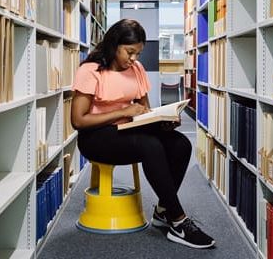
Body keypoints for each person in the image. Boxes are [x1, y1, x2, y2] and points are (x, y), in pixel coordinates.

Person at [71, 18, 215, 249]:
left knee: (180, 144)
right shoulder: (91, 70)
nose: (134, 59)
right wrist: (123, 110)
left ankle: (162, 211)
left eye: (138, 53)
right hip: (96, 136)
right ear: (114, 44)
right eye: (129, 52)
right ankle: (178, 221)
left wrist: (161, 121)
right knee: (150, 145)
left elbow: (144, 110)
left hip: (129, 131)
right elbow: (78, 120)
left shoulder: (136, 69)